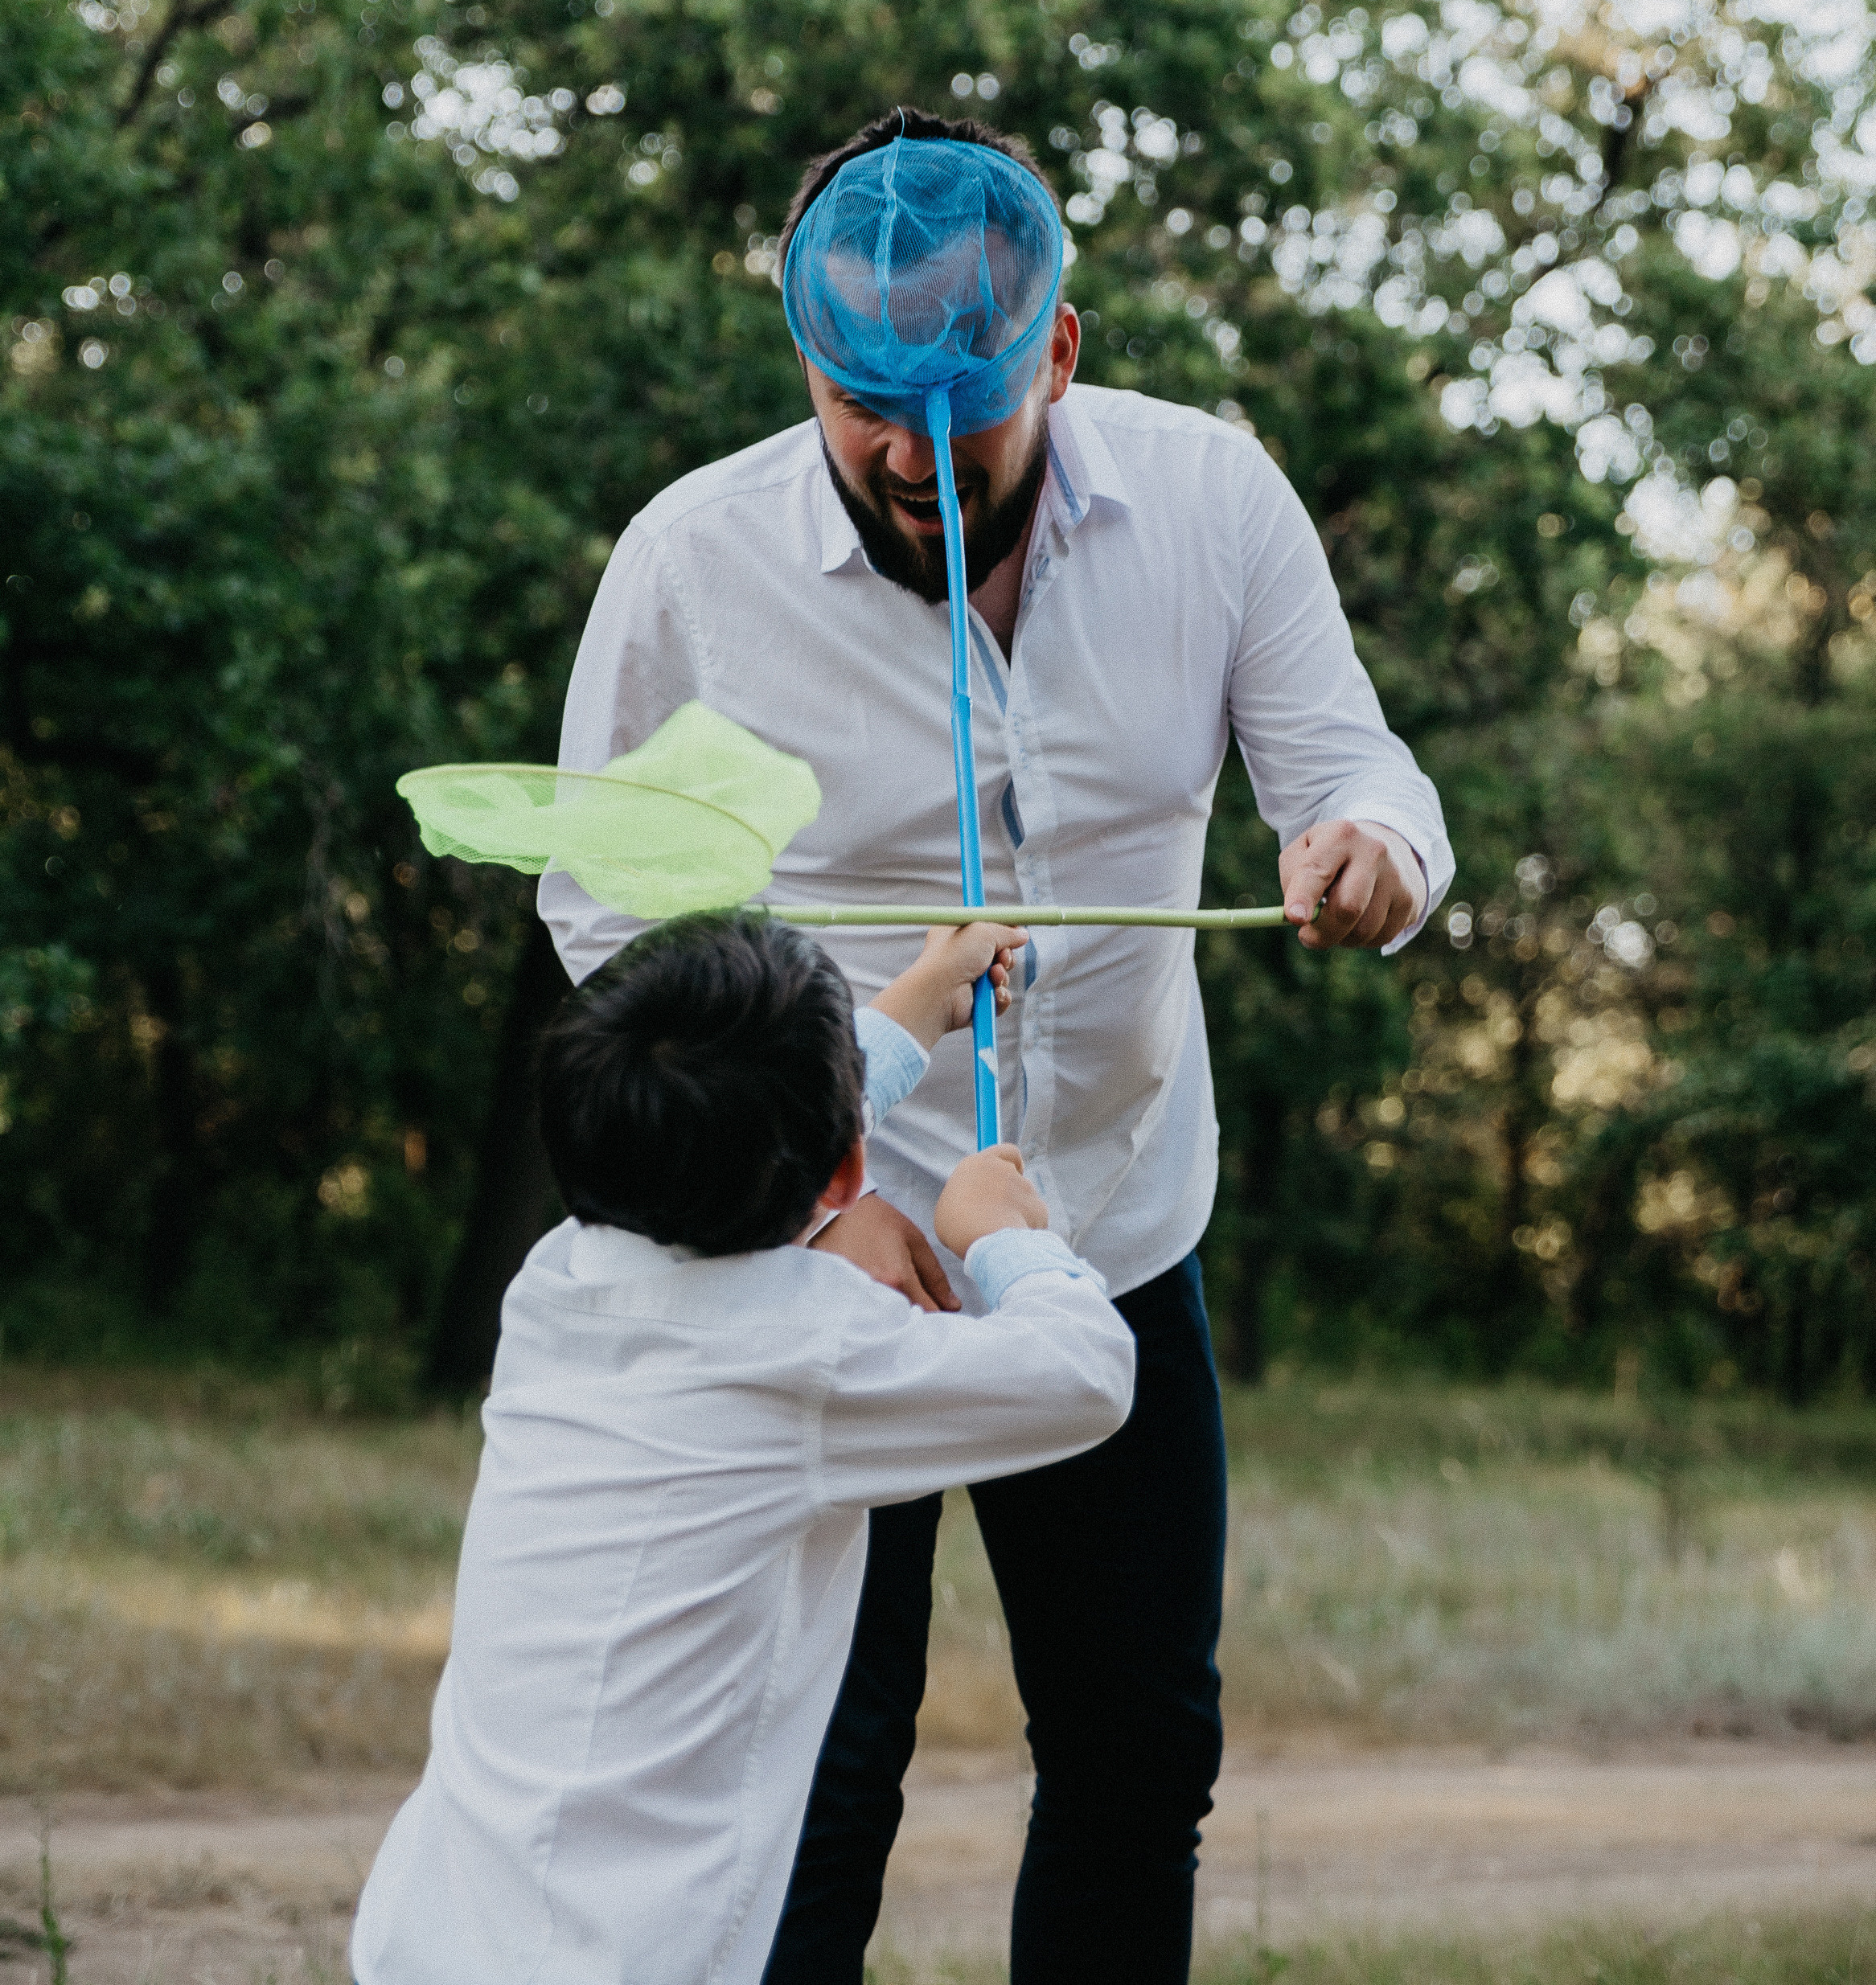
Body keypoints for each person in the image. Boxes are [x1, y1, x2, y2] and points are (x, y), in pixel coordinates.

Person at [543, 107, 1455, 1985]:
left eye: (952, 399)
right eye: (858, 394)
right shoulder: (690, 562)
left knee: (1139, 1754)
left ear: (1055, 344)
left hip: (1113, 1229)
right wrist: (810, 1203)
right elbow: (609, 918)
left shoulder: (1212, 502)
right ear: (808, 349)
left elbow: (1353, 765)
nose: (900, 449)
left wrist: (1370, 849)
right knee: (819, 1769)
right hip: (821, 1254)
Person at [350, 910, 1134, 1985]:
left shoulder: (555, 1281)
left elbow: (738, 1118)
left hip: (432, 1930)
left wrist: (914, 1001)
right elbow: (1084, 1373)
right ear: (848, 1163)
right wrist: (1001, 1236)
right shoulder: (812, 1350)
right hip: (627, 1960)